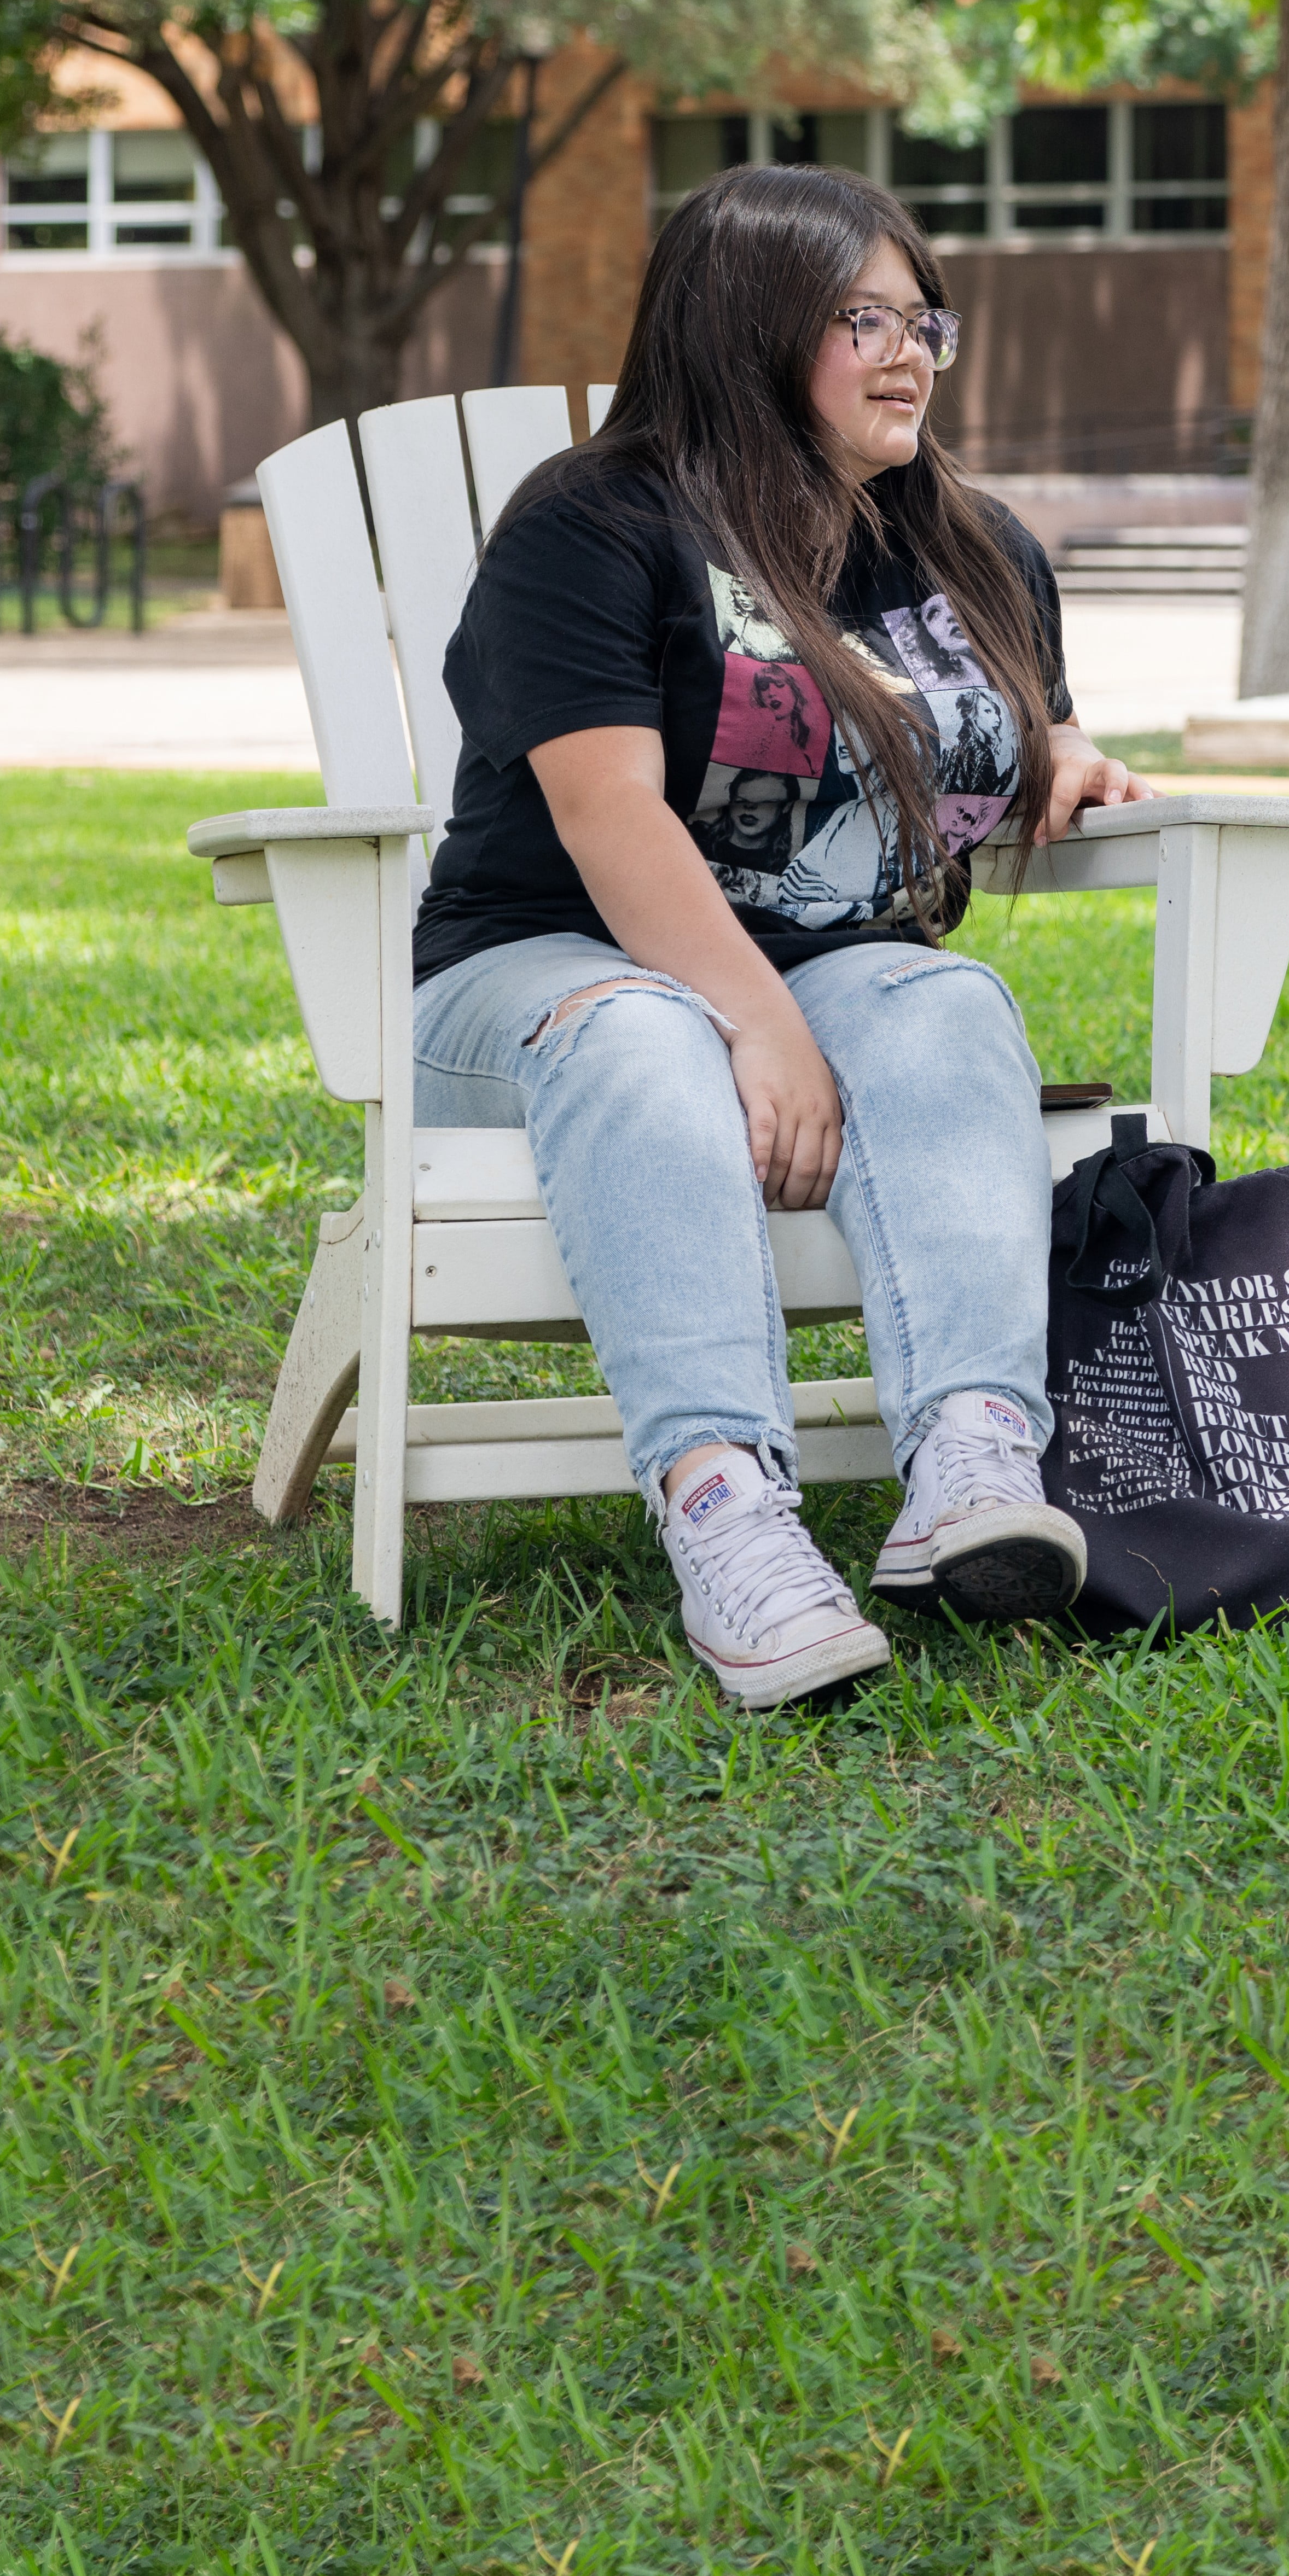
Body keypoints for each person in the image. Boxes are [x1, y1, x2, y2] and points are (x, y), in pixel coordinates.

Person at [409, 164, 1147, 1710]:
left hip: (832, 968)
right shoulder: (598, 525)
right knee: (641, 1031)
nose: (909, 352)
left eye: (920, 316)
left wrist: (1069, 756)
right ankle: (726, 1512)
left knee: (950, 1006)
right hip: (535, 973)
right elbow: (611, 815)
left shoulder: (971, 544)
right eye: (857, 318)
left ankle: (968, 1462)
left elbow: (1037, 720)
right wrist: (762, 1024)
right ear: (746, 330)